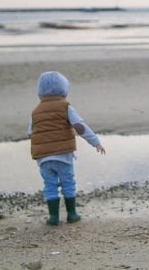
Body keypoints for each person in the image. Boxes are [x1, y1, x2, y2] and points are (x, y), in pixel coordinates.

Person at [28, 71, 106, 226]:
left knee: (49, 185)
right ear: (64, 89)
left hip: (43, 157)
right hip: (63, 155)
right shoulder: (65, 106)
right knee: (68, 183)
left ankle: (53, 218)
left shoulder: (35, 111)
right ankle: (72, 214)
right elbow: (80, 126)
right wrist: (95, 142)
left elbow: (30, 132)